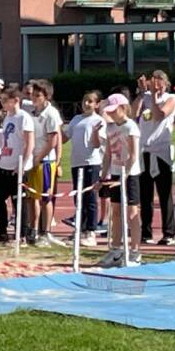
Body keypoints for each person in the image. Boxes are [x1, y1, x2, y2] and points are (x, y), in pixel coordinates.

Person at [132, 71, 175, 246]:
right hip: (144, 150)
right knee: (145, 195)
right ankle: (146, 230)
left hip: (161, 151)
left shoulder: (171, 98)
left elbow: (160, 114)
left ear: (165, 83)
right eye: (153, 80)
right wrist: (141, 93)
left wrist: (152, 95)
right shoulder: (146, 98)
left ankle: (169, 232)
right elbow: (132, 114)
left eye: (158, 80)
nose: (155, 83)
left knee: (164, 194)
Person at [97, 93, 142, 268]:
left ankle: (135, 251)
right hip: (115, 173)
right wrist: (103, 175)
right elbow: (108, 154)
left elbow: (133, 155)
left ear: (123, 109)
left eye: (114, 111)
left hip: (130, 174)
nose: (112, 114)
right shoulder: (110, 128)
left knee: (132, 213)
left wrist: (125, 176)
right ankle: (116, 250)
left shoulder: (131, 127)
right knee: (115, 212)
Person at [0, 88, 33, 244]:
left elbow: (29, 143)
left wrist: (23, 164)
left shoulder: (23, 117)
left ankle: (21, 235)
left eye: (6, 100)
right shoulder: (7, 118)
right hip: (4, 164)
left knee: (18, 201)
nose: (3, 103)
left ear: (16, 101)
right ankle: (1, 231)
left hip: (17, 165)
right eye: (2, 100)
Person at [64, 91, 105, 247]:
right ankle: (80, 229)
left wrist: (95, 133)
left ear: (96, 104)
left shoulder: (98, 120)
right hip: (76, 162)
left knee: (90, 198)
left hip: (91, 163)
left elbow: (96, 144)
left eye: (90, 101)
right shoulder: (76, 119)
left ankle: (91, 231)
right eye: (84, 101)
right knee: (78, 197)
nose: (86, 104)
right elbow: (65, 137)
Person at [26, 80, 62, 247]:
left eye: (38, 95)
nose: (34, 98)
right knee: (32, 196)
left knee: (45, 197)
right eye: (33, 95)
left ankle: (46, 231)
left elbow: (53, 139)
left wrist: (39, 157)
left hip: (45, 161)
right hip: (33, 160)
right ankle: (33, 229)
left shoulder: (51, 113)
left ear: (46, 96)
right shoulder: (33, 113)